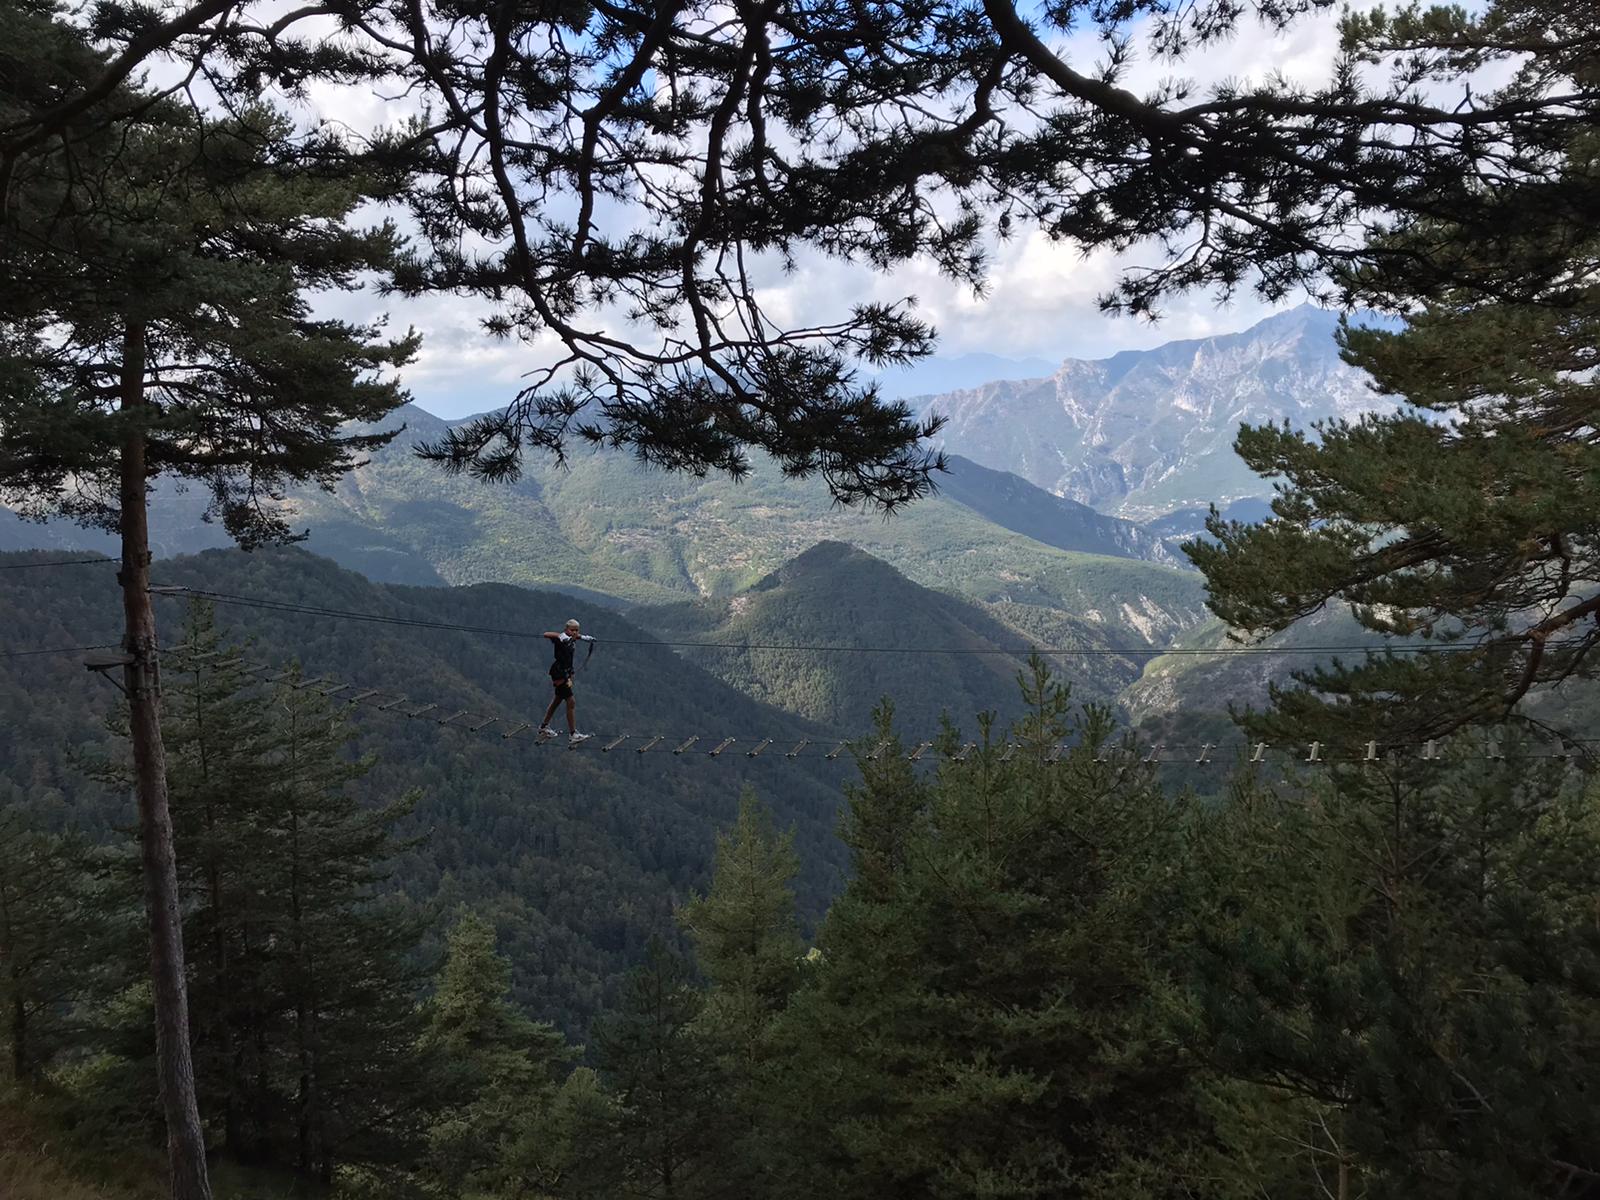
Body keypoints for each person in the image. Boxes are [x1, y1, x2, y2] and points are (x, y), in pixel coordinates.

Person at [537, 618, 595, 744]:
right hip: (559, 673)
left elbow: (574, 637)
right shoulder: (561, 639)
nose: (574, 632)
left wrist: (583, 637)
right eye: (572, 630)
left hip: (565, 673)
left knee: (557, 700)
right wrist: (561, 636)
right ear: (566, 629)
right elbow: (546, 634)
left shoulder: (571, 639)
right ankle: (573, 734)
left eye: (576, 630)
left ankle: (544, 726)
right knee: (571, 701)